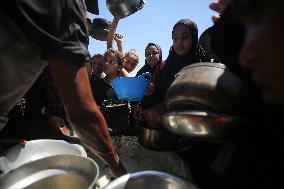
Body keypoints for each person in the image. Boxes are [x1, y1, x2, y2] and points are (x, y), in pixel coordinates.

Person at [0, 0, 126, 178]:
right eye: (83, 28)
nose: (84, 34)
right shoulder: (68, 6)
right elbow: (82, 112)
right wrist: (116, 166)